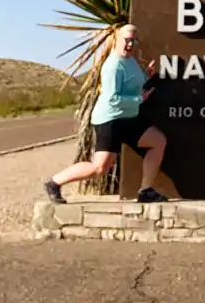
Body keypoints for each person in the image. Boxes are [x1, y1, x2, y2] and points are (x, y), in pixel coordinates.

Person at [44, 24, 168, 204]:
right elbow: (113, 99)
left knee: (158, 141)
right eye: (127, 40)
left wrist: (146, 76)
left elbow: (132, 82)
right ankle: (54, 183)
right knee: (99, 168)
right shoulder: (114, 66)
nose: (130, 44)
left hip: (128, 118)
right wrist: (138, 99)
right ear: (118, 39)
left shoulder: (131, 61)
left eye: (134, 40)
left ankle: (145, 191)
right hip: (110, 120)